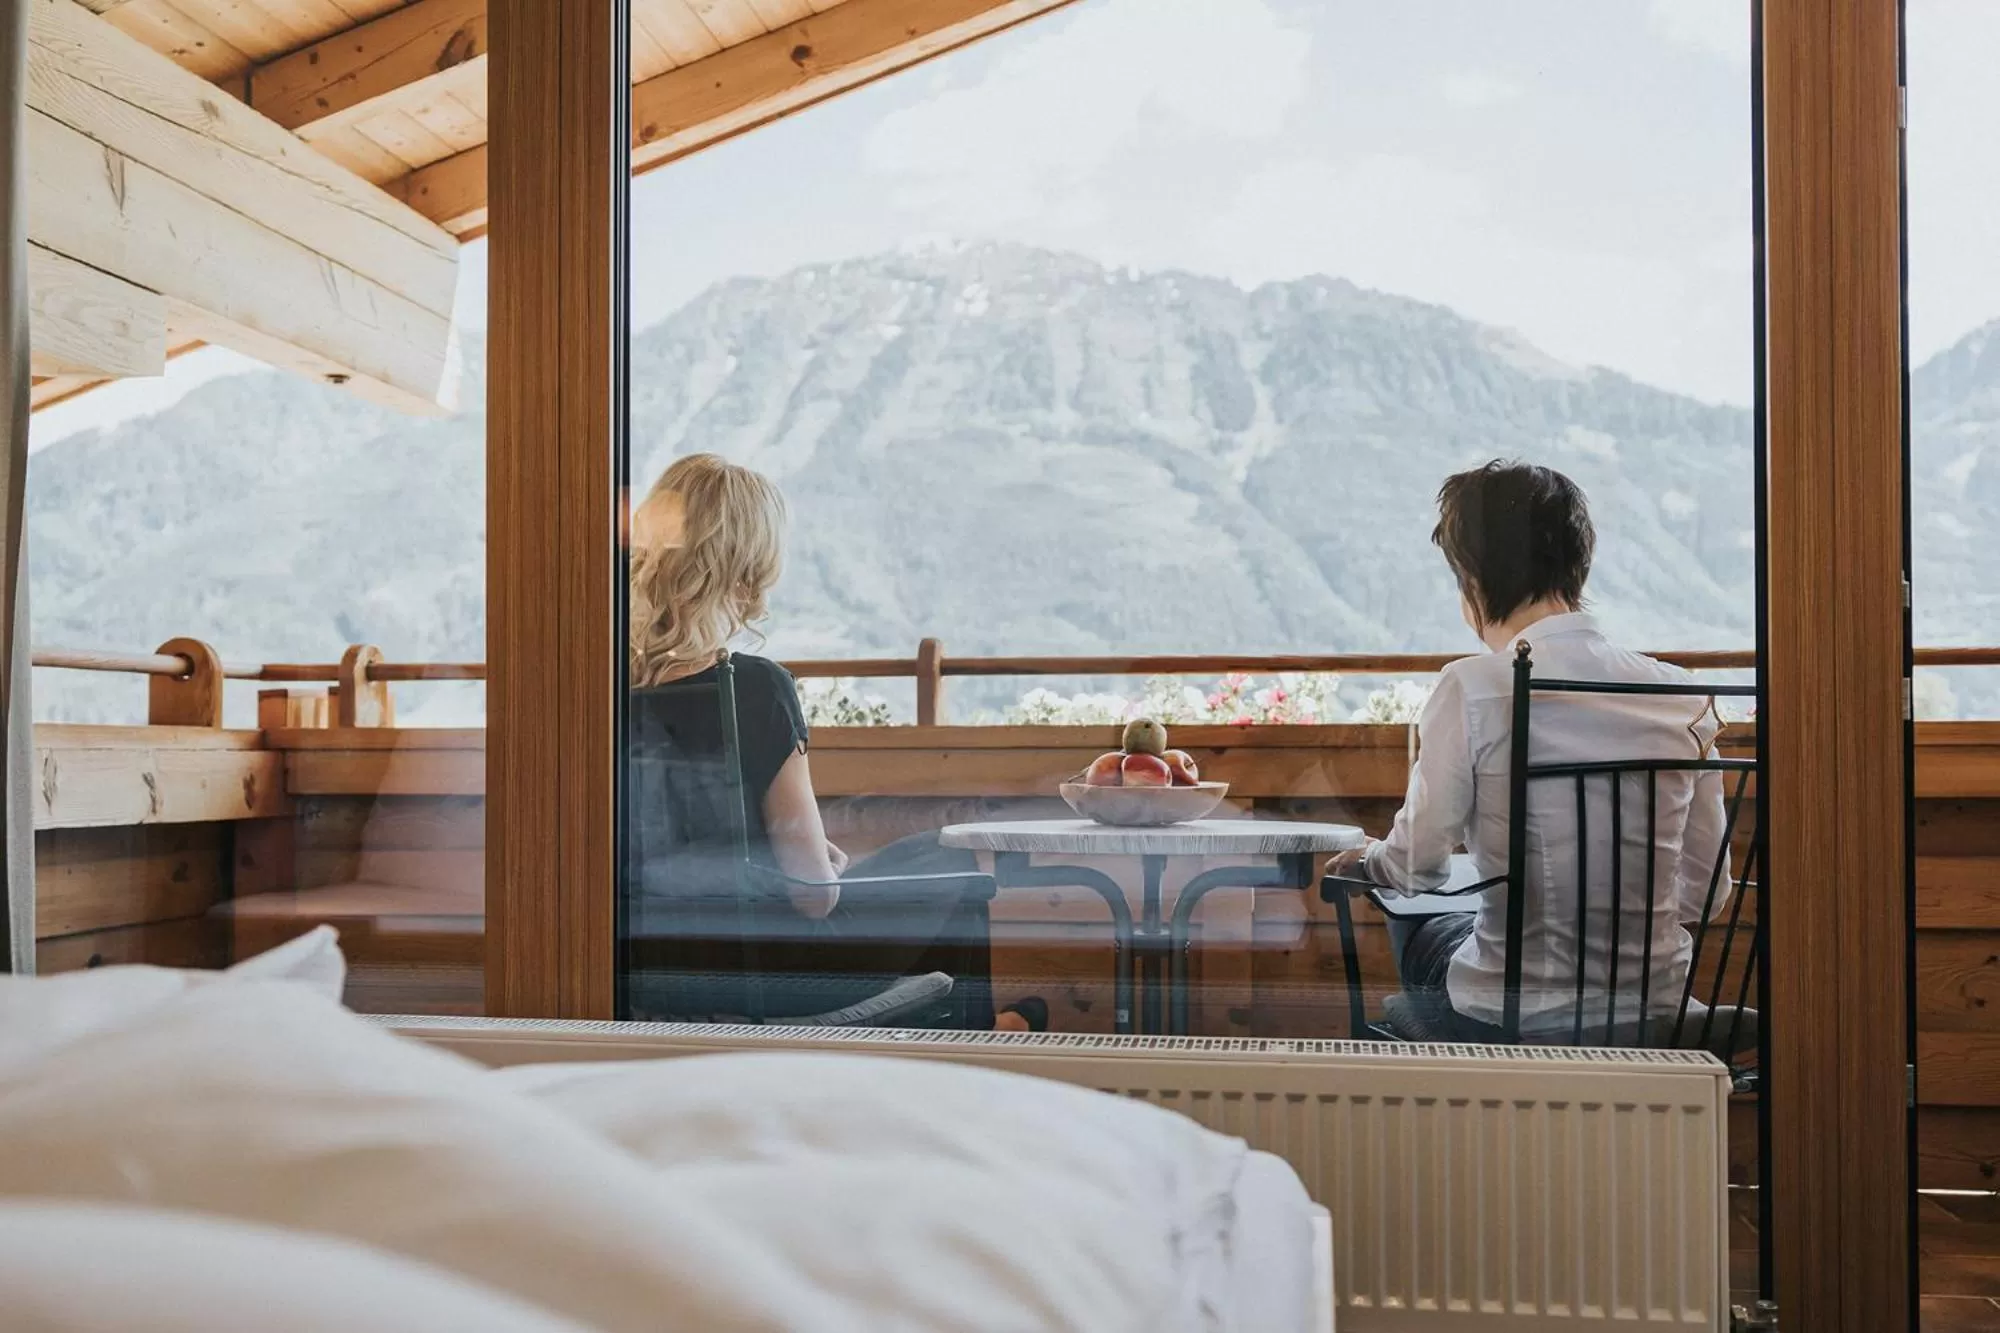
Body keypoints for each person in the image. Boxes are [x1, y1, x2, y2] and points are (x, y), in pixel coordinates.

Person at [626, 452, 1045, 1032]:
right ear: (747, 566)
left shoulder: (598, 692)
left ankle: (985, 1030)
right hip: (776, 972)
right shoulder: (753, 687)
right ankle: (978, 1041)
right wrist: (820, 863)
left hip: (647, 964)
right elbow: (813, 899)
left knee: (928, 852)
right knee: (953, 867)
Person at [1327, 461, 1732, 1041]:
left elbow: (1414, 867)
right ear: (1577, 564)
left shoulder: (1475, 686)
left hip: (1515, 1013)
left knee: (1425, 924)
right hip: (1656, 1009)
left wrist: (1369, 860)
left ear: (1471, 575)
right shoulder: (1679, 694)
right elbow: (1706, 893)